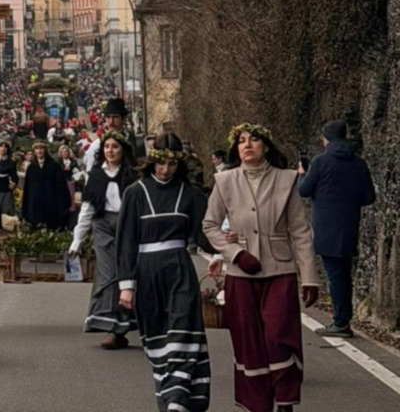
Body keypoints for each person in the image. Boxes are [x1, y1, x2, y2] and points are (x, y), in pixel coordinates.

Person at [204, 123, 318, 412]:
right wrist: (235, 253)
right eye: (241, 140)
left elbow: (300, 230)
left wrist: (309, 278)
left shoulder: (286, 179)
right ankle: (257, 405)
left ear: (266, 146)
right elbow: (210, 225)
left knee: (279, 336)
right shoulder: (224, 181)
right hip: (241, 274)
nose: (247, 145)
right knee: (248, 341)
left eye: (254, 139)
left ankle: (285, 401)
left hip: (279, 271)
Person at [118, 135, 212, 411]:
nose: (166, 169)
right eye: (161, 163)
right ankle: (172, 400)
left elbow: (203, 235)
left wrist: (225, 247)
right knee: (158, 341)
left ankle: (176, 404)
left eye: (172, 164)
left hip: (179, 269)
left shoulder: (190, 193)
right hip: (146, 271)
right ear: (152, 161)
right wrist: (127, 285)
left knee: (185, 333)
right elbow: (126, 241)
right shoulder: (135, 192)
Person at [297, 119, 375, 338]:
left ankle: (341, 321)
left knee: (335, 275)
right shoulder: (359, 163)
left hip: (326, 227)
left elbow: (303, 190)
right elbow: (369, 196)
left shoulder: (320, 162)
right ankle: (343, 318)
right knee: (344, 274)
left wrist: (302, 173)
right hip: (349, 225)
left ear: (326, 138)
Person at [68, 131, 137, 349]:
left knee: (127, 274)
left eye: (115, 147)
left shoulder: (132, 174)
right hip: (103, 227)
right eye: (107, 147)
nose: (110, 151)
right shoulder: (96, 175)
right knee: (109, 275)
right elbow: (87, 209)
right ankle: (111, 327)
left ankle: (124, 325)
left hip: (127, 226)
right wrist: (77, 240)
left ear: (123, 150)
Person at [20, 142, 70, 231]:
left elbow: (60, 185)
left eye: (41, 149)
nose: (39, 151)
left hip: (51, 200)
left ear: (45, 150)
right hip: (36, 201)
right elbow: (28, 187)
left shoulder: (54, 165)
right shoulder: (31, 167)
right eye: (37, 149)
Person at [0, 143, 17, 217]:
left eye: (5, 147)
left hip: (5, 189)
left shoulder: (11, 162)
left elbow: (14, 176)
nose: (3, 149)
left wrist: (13, 183)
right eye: (1, 146)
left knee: (6, 211)